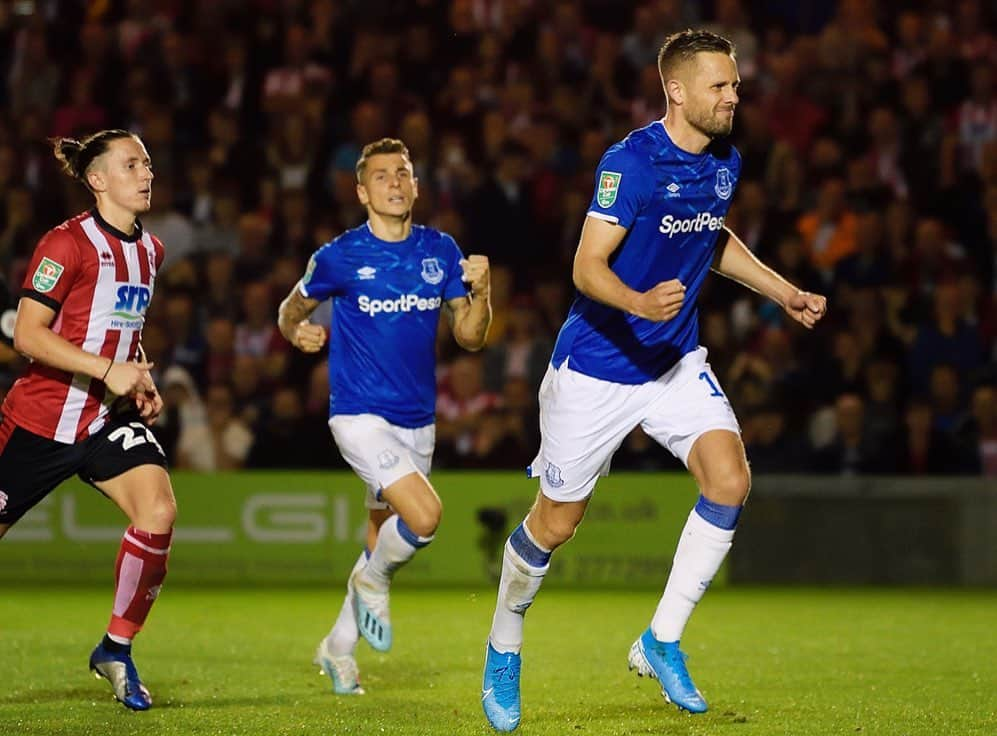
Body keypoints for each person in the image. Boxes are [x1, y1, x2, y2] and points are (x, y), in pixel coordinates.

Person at [481, 30, 828, 731]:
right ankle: (502, 648)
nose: (734, 96)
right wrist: (637, 302)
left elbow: (713, 237)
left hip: (672, 362)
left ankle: (660, 639)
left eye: (734, 84)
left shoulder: (724, 159)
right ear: (676, 90)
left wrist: (783, 291)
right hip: (596, 368)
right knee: (555, 523)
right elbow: (585, 267)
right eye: (720, 86)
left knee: (728, 480)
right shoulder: (630, 163)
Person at [277, 137, 491, 694]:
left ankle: (338, 648)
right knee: (423, 518)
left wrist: (483, 292)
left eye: (403, 173)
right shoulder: (339, 257)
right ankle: (371, 583)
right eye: (381, 175)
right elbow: (289, 309)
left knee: (381, 535)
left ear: (417, 185)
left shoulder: (441, 250)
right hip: (357, 415)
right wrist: (293, 332)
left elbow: (469, 338)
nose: (394, 182)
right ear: (361, 191)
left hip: (418, 420)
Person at [0, 130, 174, 711]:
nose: (145, 173)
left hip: (104, 420)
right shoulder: (64, 245)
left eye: (146, 162)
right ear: (97, 180)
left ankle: (116, 650)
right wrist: (108, 368)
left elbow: (124, 327)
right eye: (130, 164)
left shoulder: (151, 250)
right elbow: (27, 335)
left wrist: (137, 379)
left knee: (159, 511)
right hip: (40, 420)